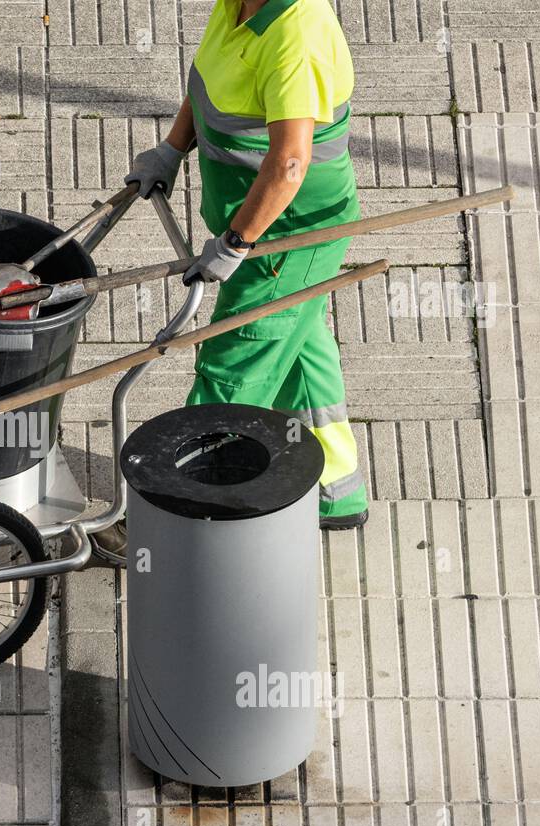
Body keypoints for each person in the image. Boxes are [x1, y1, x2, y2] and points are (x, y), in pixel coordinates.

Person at [125, 0, 368, 530]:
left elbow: (289, 162)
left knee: (233, 369)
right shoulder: (238, 6)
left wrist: (237, 242)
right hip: (263, 232)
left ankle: (177, 512)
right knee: (297, 346)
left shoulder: (297, 35)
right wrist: (172, 149)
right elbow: (208, 87)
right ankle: (335, 490)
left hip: (285, 240)